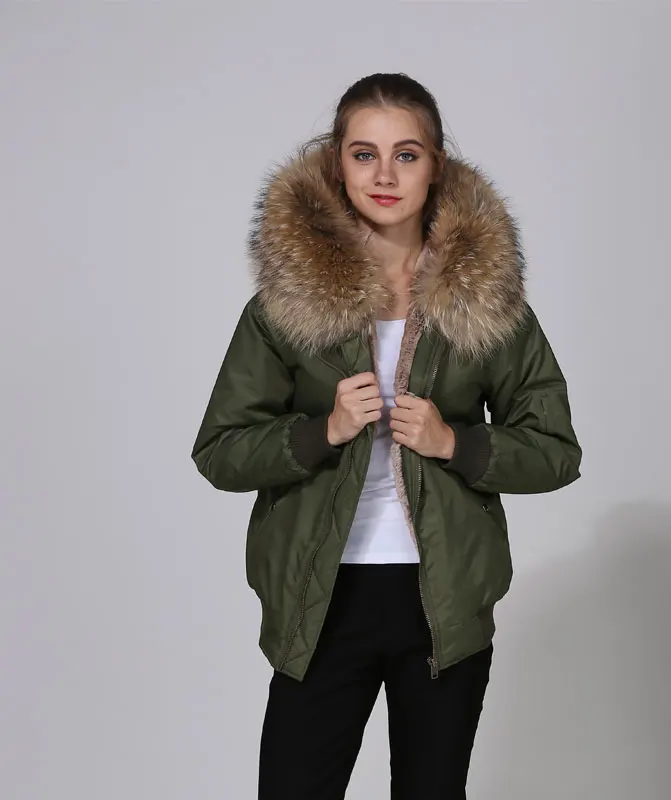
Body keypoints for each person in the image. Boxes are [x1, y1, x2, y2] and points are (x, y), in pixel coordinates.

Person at [191, 72, 582, 800]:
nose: (384, 175)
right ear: (337, 163)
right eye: (364, 154)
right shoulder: (284, 306)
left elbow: (556, 451)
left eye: (406, 154)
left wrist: (455, 443)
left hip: (444, 603)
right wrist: (323, 430)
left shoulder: (486, 302)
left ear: (436, 166)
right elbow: (220, 450)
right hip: (320, 597)